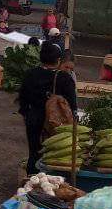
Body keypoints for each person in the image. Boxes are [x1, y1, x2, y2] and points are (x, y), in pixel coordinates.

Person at [18, 42, 78, 174]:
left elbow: (22, 99)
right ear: (58, 60)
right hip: (56, 122)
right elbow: (72, 104)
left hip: (33, 118)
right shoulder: (64, 78)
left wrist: (26, 115)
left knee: (34, 152)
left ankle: (32, 180)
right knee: (53, 153)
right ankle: (50, 180)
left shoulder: (30, 74)